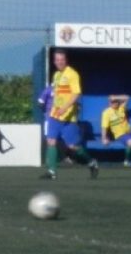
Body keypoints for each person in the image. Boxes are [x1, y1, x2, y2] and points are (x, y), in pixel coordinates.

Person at [41, 49, 99, 180]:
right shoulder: (56, 75)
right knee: (51, 141)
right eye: (57, 60)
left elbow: (76, 93)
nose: (59, 62)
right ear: (54, 61)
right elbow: (57, 94)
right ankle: (52, 172)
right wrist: (53, 108)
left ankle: (91, 162)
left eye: (62, 60)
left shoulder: (72, 74)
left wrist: (65, 108)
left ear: (66, 60)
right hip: (55, 115)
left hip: (68, 117)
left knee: (72, 146)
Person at [100, 94, 131, 166]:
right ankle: (127, 161)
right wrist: (104, 138)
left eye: (116, 102)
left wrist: (115, 97)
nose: (114, 103)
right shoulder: (106, 112)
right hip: (120, 134)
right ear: (109, 103)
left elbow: (127, 98)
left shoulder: (121, 108)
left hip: (130, 132)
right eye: (112, 102)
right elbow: (104, 127)